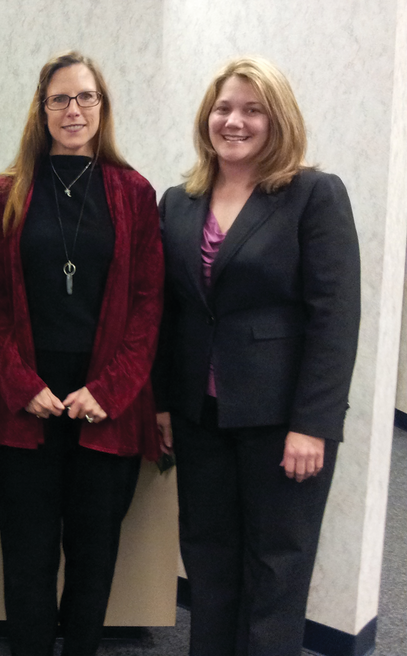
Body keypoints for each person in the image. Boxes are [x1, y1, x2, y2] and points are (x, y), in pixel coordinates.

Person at [155, 56, 360, 656]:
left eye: (251, 110)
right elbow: (170, 314)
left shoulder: (313, 195)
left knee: (277, 568)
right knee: (209, 560)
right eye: (223, 108)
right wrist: (164, 403)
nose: (234, 121)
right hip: (201, 415)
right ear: (206, 117)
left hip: (281, 421)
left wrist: (313, 425)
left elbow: (335, 318)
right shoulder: (179, 200)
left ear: (278, 120)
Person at [0, 50, 167, 656]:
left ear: (102, 107)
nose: (73, 109)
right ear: (41, 109)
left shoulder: (134, 192)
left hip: (104, 407)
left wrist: (109, 391)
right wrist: (18, 382)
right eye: (59, 98)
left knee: (93, 559)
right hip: (24, 404)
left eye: (86, 97)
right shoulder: (6, 192)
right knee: (27, 560)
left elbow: (146, 305)